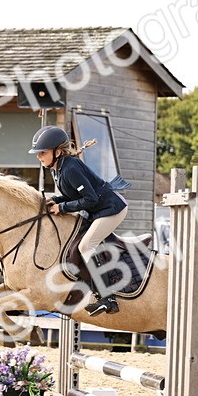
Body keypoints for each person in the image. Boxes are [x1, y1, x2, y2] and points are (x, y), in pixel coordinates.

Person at [31, 125, 128, 316]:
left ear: (57, 152)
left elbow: (90, 199)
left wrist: (62, 207)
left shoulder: (70, 168)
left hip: (112, 210)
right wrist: (55, 200)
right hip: (97, 210)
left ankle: (108, 298)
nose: (39, 156)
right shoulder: (56, 168)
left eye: (42, 152)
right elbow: (72, 195)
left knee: (85, 246)